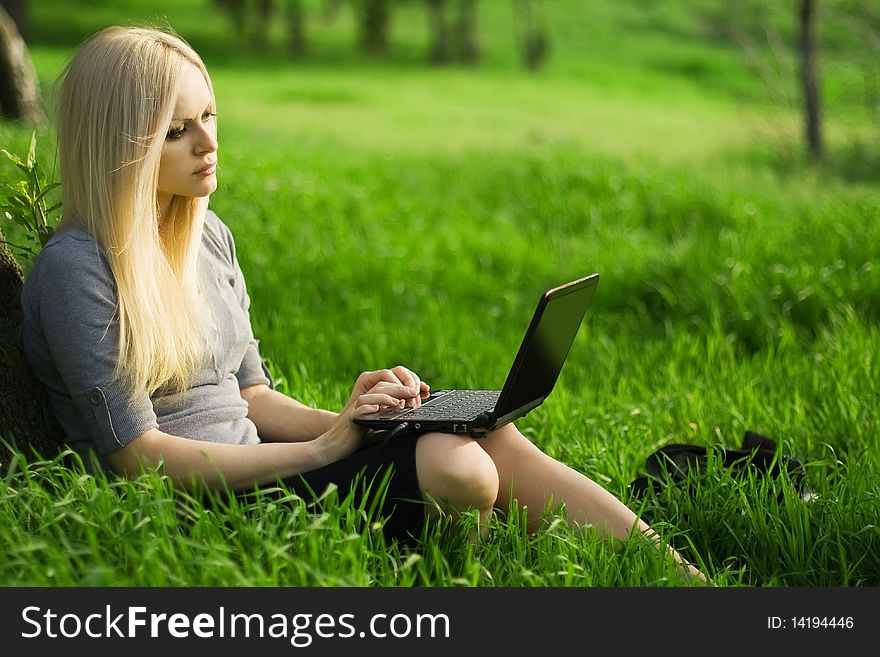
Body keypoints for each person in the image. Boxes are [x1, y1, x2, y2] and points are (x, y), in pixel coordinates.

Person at [21, 25, 705, 582]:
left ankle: (684, 584)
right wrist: (324, 448)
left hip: (268, 462)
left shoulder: (208, 233)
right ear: (123, 149)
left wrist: (363, 420)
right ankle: (468, 574)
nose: (209, 143)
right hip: (204, 505)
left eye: (209, 115)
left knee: (481, 429)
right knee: (459, 466)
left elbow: (251, 395)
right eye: (178, 132)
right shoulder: (76, 270)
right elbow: (138, 457)